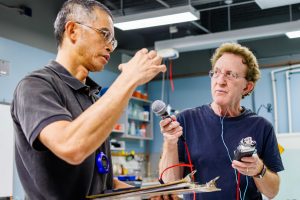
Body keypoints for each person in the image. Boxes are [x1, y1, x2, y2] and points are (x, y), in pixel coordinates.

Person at [11, 0, 166, 199]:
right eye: (104, 34)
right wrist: (128, 79)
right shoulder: (35, 86)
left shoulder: (91, 97)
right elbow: (71, 147)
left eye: (113, 40)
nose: (110, 46)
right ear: (73, 30)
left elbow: (102, 183)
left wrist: (147, 194)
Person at [158, 43, 284, 200]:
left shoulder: (262, 127)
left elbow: (272, 192)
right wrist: (170, 142)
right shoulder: (186, 120)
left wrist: (260, 170)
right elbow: (170, 185)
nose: (220, 81)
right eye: (216, 73)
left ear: (247, 87)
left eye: (231, 75)